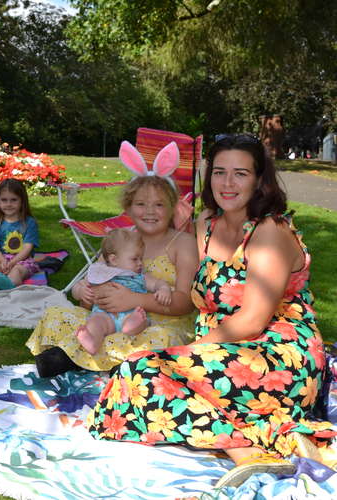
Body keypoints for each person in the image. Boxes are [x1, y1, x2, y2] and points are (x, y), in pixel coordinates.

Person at [86, 134, 336, 489]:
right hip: (221, 348)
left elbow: (252, 320)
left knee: (140, 373)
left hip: (277, 355)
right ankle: (252, 445)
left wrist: (186, 354)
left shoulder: (269, 232)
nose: (227, 183)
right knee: (135, 377)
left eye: (240, 174)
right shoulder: (206, 226)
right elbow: (179, 284)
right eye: (219, 172)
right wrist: (109, 286)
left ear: (259, 179)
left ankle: (250, 449)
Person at [26, 174, 198, 376]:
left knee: (161, 339)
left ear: (172, 208)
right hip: (108, 319)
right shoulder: (121, 238)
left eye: (159, 205)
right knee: (56, 314)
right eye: (141, 204)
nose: (150, 211)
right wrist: (83, 292)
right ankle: (112, 362)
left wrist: (134, 299)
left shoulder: (183, 243)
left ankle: (74, 359)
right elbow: (93, 283)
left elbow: (186, 303)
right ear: (129, 208)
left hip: (158, 323)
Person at [75, 228, 172, 355]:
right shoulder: (100, 272)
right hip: (104, 314)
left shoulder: (139, 277)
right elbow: (78, 287)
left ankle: (131, 326)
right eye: (135, 259)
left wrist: (164, 289)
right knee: (95, 322)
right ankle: (92, 342)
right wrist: (81, 291)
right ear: (114, 260)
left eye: (141, 258)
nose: (140, 263)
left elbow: (158, 283)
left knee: (141, 319)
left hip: (130, 313)